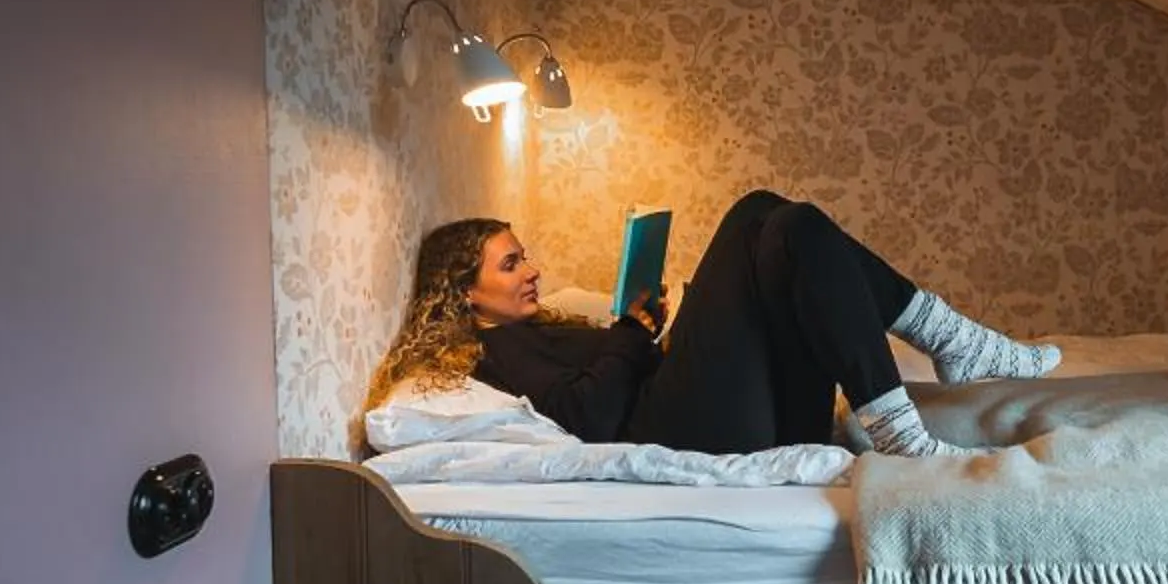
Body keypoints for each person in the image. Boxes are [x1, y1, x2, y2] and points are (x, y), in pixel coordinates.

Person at [362, 190, 1058, 458]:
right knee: (761, 215)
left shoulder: (530, 326)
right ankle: (940, 368)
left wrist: (643, 329)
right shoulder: (493, 348)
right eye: (511, 264)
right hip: (689, 431)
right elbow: (588, 412)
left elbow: (601, 373)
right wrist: (632, 337)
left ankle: (954, 349)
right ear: (466, 295)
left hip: (729, 413)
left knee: (787, 232)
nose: (532, 270)